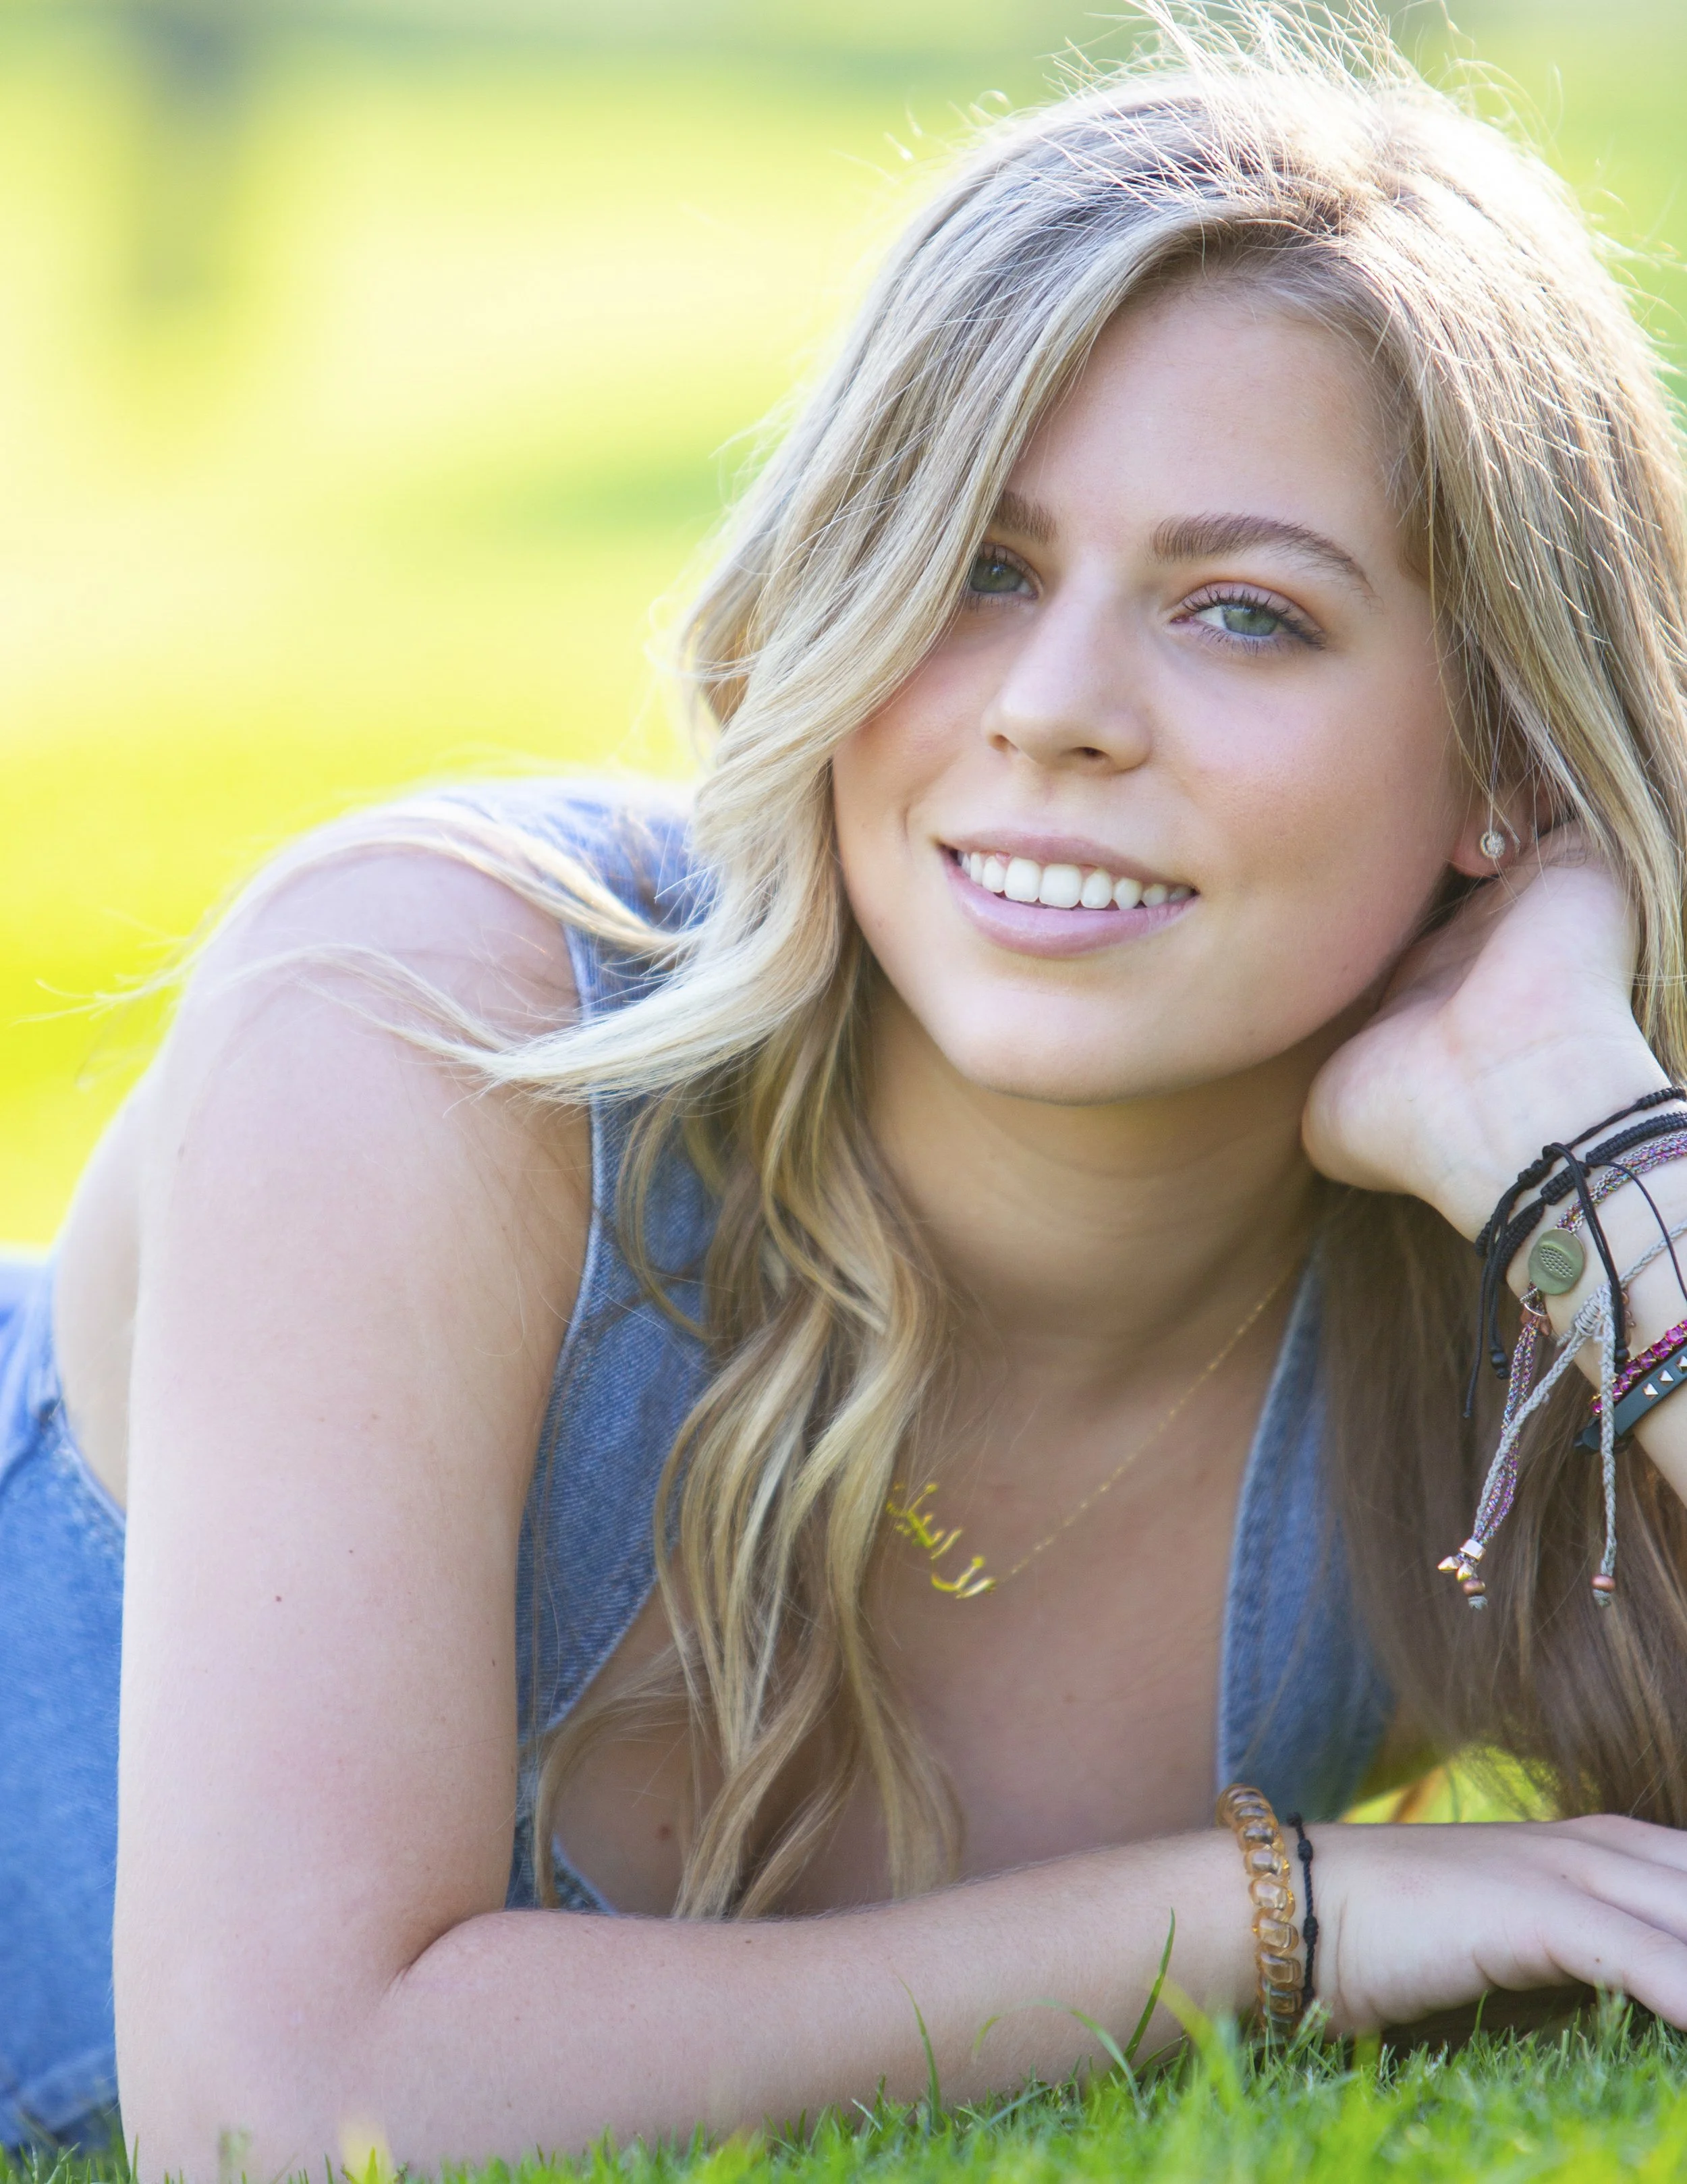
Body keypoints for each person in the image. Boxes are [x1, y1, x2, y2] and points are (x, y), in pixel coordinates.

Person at [9, 3, 1687, 2167]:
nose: (1059, 709)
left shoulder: (1492, 1266)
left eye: (1244, 614)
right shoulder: (427, 1020)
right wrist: (1277, 1912)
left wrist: (1582, 1139)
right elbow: (290, 2104)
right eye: (974, 568)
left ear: (1506, 762)